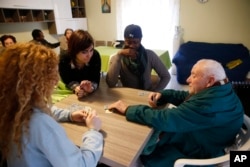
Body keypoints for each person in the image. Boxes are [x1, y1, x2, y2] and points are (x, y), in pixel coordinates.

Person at [108, 59, 244, 167]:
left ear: (209, 81)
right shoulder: (221, 89)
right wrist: (163, 95)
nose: (188, 80)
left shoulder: (209, 105)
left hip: (201, 152)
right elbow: (187, 97)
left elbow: (165, 119)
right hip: (207, 138)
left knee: (141, 151)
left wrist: (128, 109)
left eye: (194, 76)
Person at [0, 43, 103, 167]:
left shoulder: (9, 106)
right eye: (52, 74)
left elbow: (43, 108)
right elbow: (81, 164)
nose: (55, 80)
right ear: (35, 80)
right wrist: (93, 131)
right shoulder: (41, 124)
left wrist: (69, 115)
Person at [106, 24, 171, 91]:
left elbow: (166, 76)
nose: (132, 46)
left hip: (146, 93)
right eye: (128, 42)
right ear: (124, 40)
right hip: (128, 94)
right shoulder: (118, 57)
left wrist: (155, 91)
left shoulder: (149, 55)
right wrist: (119, 55)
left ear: (140, 40)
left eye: (135, 42)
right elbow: (111, 84)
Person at [59, 29, 101, 99]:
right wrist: (76, 87)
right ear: (74, 51)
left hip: (91, 96)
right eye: (84, 52)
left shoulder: (95, 56)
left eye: (91, 50)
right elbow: (67, 79)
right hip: (68, 94)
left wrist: (91, 88)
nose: (89, 55)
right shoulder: (64, 59)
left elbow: (96, 79)